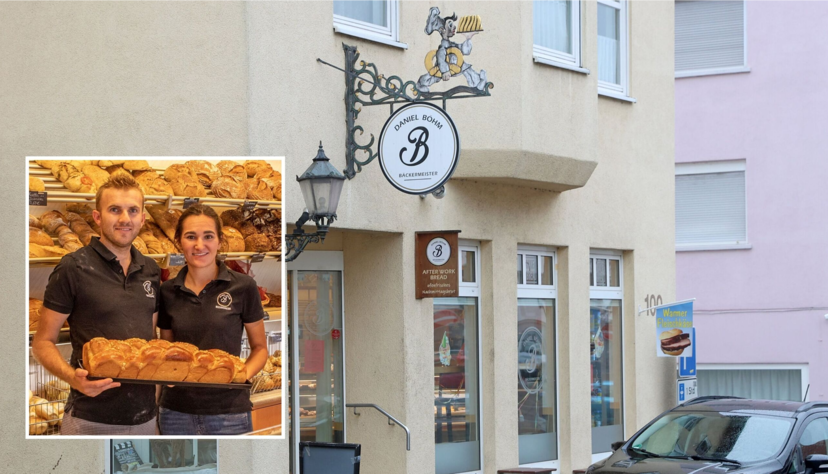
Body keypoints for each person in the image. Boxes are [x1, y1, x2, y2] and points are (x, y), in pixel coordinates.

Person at [32, 174, 160, 435]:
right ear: (98, 217)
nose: (125, 218)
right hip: (91, 419)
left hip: (146, 418)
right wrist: (72, 378)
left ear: (143, 219)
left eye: (133, 210)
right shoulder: (73, 267)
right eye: (115, 210)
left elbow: (151, 337)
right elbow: (42, 342)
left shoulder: (151, 269)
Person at [157, 204, 268, 435]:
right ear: (179, 242)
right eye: (190, 237)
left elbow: (260, 348)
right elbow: (167, 347)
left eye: (208, 236)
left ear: (219, 241)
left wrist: (239, 376)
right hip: (176, 411)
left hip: (229, 412)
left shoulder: (243, 286)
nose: (199, 245)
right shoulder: (167, 291)